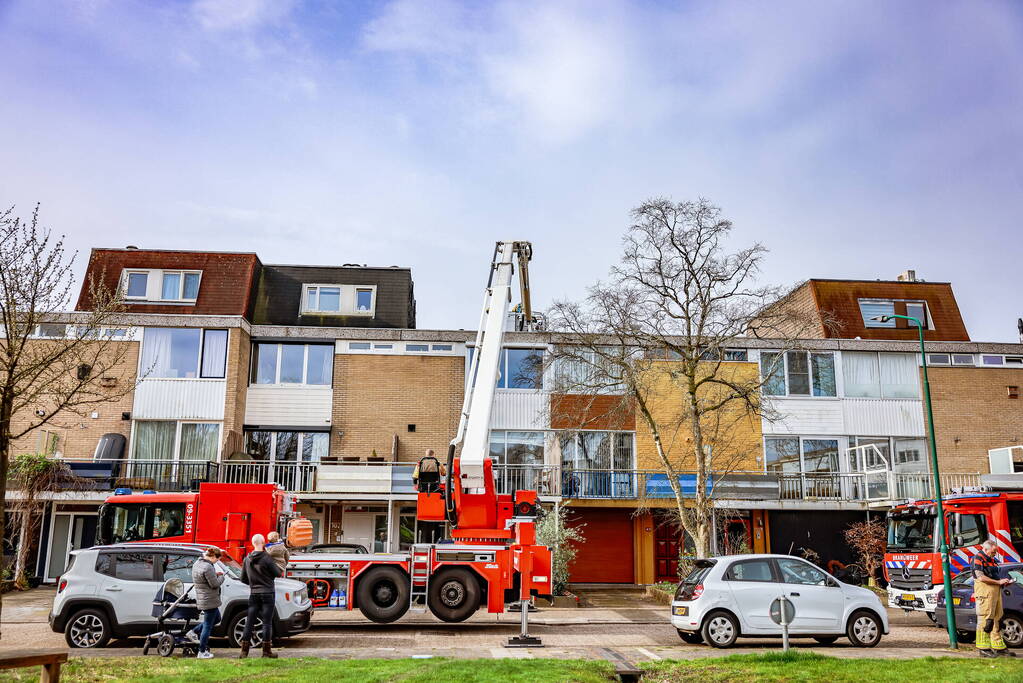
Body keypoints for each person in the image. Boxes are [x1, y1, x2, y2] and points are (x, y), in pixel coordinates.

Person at [239, 533, 283, 659]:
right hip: (268, 592)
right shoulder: (267, 558)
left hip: (254, 594)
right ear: (263, 543)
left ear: (253, 543)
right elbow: (277, 573)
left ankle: (244, 652)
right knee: (267, 622)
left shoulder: (247, 559)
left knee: (249, 621)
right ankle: (266, 652)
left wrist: (253, 584)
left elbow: (243, 579)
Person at [971, 538, 1016, 658]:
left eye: (995, 552)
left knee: (997, 619)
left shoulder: (991, 559)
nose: (995, 554)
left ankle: (998, 647)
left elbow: (993, 575)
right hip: (985, 593)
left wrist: (1003, 582)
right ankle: (983, 648)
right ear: (986, 549)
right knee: (986, 620)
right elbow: (981, 577)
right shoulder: (978, 558)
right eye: (993, 551)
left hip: (995, 591)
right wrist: (998, 582)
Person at [186, 547, 225, 659]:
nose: (216, 562)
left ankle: (193, 632)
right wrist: (222, 577)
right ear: (213, 557)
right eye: (217, 560)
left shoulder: (197, 563)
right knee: (208, 625)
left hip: (203, 598)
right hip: (209, 600)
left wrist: (215, 574)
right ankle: (202, 651)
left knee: (217, 619)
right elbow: (214, 584)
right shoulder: (208, 567)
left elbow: (205, 579)